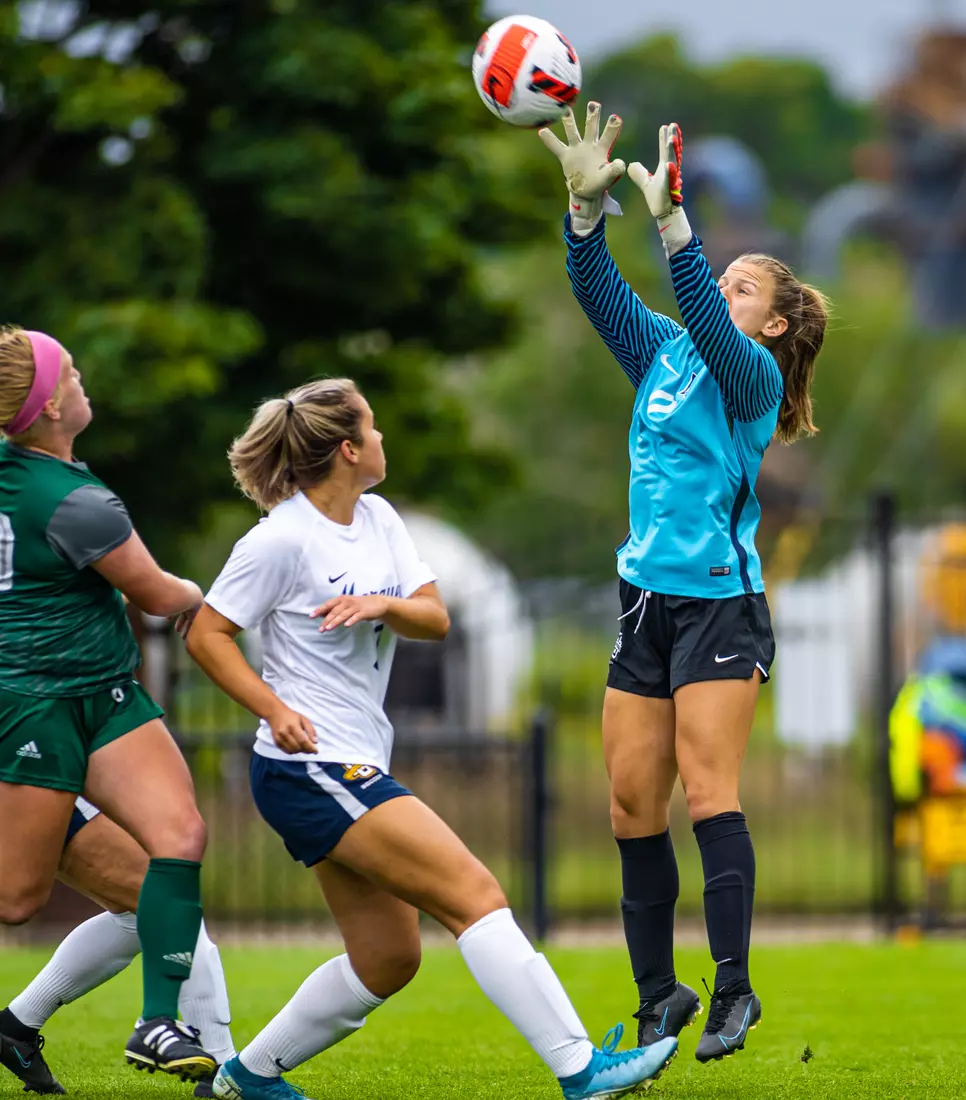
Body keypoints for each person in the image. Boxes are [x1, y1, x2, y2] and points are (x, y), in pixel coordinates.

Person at [185, 379, 677, 1100]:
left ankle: (247, 1077)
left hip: (349, 760)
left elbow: (435, 618)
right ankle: (581, 1068)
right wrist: (273, 708)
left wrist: (382, 603)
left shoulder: (379, 517)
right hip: (309, 766)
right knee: (473, 891)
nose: (384, 440)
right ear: (349, 449)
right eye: (374, 430)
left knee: (387, 958)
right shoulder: (281, 537)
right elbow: (206, 632)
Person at [538, 105, 830, 1061]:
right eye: (724, 279)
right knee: (630, 804)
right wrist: (586, 215)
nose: (724, 289)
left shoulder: (747, 376)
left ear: (773, 323)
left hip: (719, 603)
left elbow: (701, 311)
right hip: (645, 602)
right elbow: (601, 295)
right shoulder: (662, 354)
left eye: (744, 286)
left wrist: (674, 229)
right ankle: (659, 993)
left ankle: (734, 991)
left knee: (709, 792)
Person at [0, 327, 218, 1082]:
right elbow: (158, 594)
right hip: (33, 706)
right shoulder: (77, 501)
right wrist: (207, 597)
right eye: (74, 376)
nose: (84, 384)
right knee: (17, 899)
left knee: (179, 836)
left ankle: (159, 1024)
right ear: (51, 404)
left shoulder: (37, 476)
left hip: (107, 694)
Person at [0, 798, 236, 1096]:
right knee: (167, 897)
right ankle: (221, 1067)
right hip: (33, 773)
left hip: (36, 773)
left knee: (139, 913)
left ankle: (16, 1026)